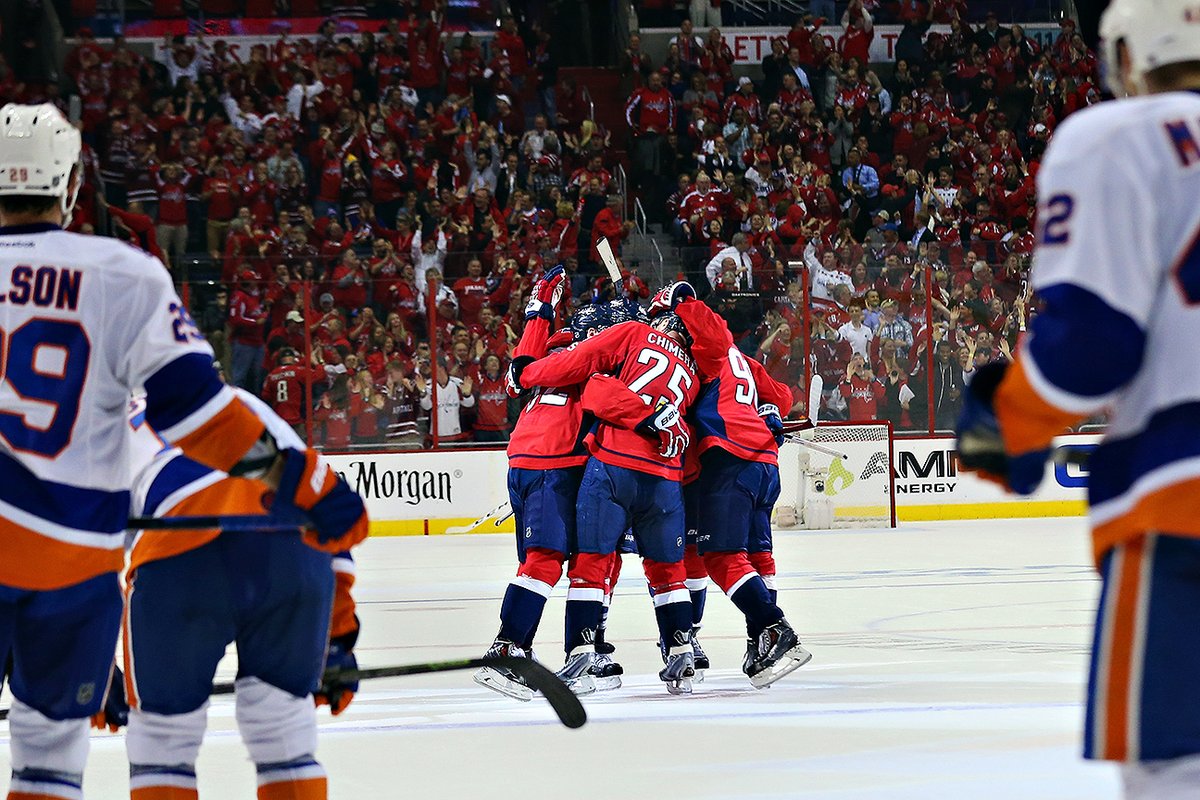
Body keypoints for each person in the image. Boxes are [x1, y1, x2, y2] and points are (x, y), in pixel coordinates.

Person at [0, 103, 363, 800]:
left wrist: (113, 671)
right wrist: (340, 638)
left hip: (165, 559)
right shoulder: (121, 277)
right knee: (52, 762)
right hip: (87, 560)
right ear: (70, 183)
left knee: (161, 747)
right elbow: (204, 419)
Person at [954, 4, 1200, 796]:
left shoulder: (1119, 138)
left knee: (1172, 772)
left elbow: (1093, 345)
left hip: (1182, 505)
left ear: (1129, 55)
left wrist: (1009, 422)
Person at [117, 390, 366, 799]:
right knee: (284, 731)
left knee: (162, 742)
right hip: (289, 544)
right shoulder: (235, 397)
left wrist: (85, 666)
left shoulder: (95, 414)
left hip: (180, 548)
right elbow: (321, 500)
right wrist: (338, 638)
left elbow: (79, 551)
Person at [511, 301, 702, 695]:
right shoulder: (693, 374)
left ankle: (582, 650)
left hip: (613, 464)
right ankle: (682, 652)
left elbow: (592, 386)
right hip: (666, 475)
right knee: (668, 570)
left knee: (590, 563)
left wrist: (527, 366)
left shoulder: (629, 336)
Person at [667, 284, 814, 687]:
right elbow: (782, 397)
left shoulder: (701, 356)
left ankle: (773, 627)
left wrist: (682, 299)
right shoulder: (743, 361)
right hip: (765, 462)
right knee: (757, 556)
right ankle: (758, 642)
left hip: (728, 460)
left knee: (718, 557)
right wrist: (767, 412)